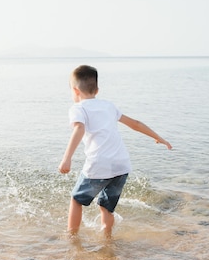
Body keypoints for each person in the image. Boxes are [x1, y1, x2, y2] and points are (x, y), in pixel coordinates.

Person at [58, 65, 172, 238]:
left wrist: (67, 158)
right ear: (97, 89)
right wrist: (158, 137)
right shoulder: (108, 106)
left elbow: (79, 129)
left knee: (76, 200)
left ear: (75, 90)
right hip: (121, 165)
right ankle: (107, 238)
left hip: (99, 164)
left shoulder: (78, 109)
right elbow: (135, 124)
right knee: (106, 206)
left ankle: (71, 237)